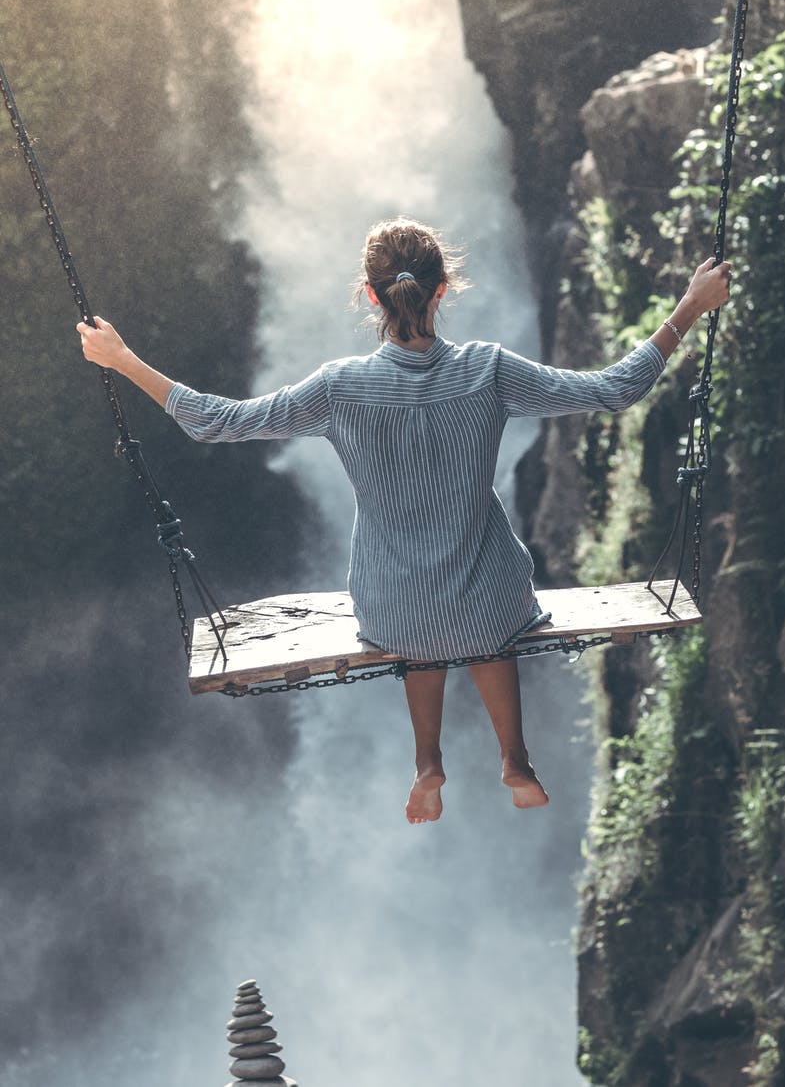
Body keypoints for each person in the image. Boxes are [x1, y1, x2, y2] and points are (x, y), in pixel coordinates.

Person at [77, 217, 732, 824]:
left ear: (370, 297)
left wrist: (122, 359)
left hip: (394, 609)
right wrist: (688, 309)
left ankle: (427, 763)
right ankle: (515, 758)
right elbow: (614, 388)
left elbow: (217, 421)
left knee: (418, 614)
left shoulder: (337, 387)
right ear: (442, 290)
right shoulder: (488, 371)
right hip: (488, 600)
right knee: (486, 603)